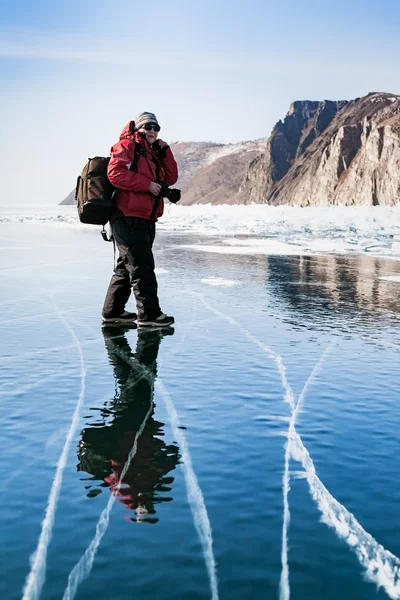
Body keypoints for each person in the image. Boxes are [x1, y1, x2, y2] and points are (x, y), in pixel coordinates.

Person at [102, 112, 179, 327]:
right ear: (138, 129)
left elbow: (171, 177)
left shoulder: (152, 153)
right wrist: (147, 185)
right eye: (147, 127)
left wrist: (165, 151)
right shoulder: (127, 146)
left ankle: (113, 312)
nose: (152, 131)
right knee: (142, 267)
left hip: (145, 217)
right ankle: (149, 315)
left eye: (156, 128)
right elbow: (115, 173)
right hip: (127, 215)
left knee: (126, 267)